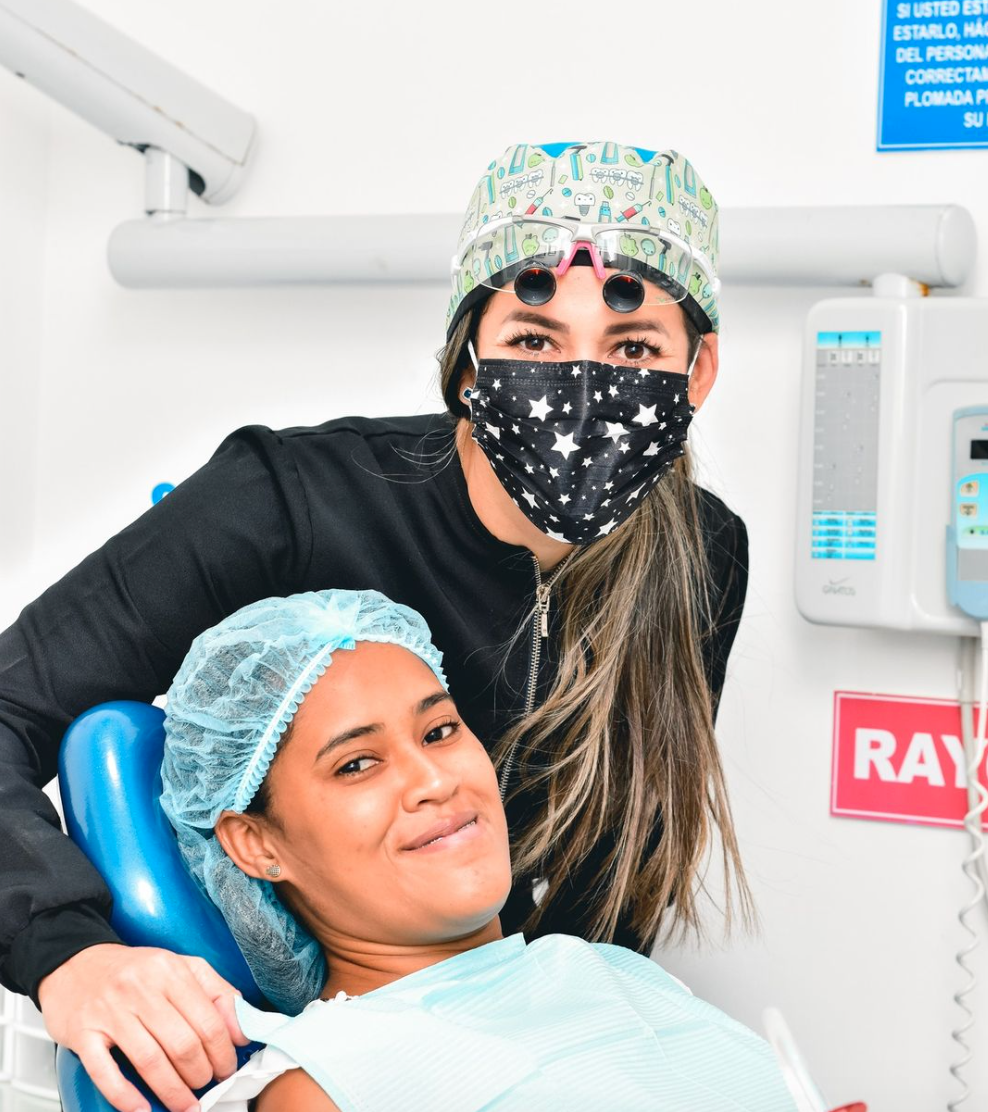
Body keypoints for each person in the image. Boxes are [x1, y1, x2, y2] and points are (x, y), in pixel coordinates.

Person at [0, 140, 751, 1112]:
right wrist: (68, 955)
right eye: (532, 338)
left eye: (633, 348)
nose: (579, 384)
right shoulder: (286, 505)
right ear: (467, 361)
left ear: (698, 370)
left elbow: (613, 873)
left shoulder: (699, 554)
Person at [159, 588, 793, 1112]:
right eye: (357, 764)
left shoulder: (613, 972)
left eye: (439, 731)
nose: (436, 780)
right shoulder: (327, 1085)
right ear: (256, 844)